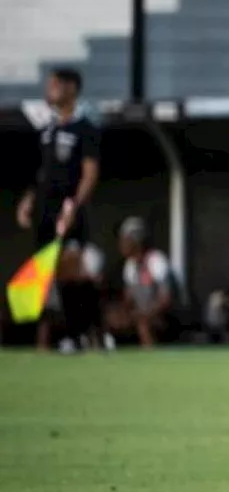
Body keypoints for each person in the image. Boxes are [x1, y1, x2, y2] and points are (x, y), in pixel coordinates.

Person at [15, 68, 101, 352]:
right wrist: (28, 200)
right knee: (46, 275)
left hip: (68, 210)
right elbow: (41, 173)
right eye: (49, 84)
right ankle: (69, 336)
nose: (50, 89)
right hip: (44, 212)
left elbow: (89, 173)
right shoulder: (48, 130)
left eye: (56, 84)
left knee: (71, 271)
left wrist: (75, 205)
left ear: (72, 88)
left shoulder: (84, 129)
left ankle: (89, 333)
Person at [104, 216, 174, 349]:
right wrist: (121, 312)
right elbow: (129, 300)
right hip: (141, 313)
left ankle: (152, 361)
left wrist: (146, 313)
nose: (121, 244)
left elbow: (166, 300)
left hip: (162, 317)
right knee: (112, 318)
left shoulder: (156, 261)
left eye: (125, 240)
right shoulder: (130, 266)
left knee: (143, 324)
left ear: (136, 241)